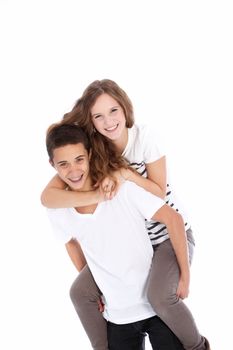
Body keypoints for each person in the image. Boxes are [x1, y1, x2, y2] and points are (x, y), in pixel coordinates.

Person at [41, 80, 210, 350]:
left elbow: (159, 195)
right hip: (138, 241)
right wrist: (95, 196)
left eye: (114, 111)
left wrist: (125, 174)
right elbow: (48, 197)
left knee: (160, 297)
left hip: (166, 236)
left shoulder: (144, 138)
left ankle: (197, 346)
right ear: (90, 121)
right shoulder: (93, 150)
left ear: (125, 108)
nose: (108, 122)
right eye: (98, 116)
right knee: (80, 292)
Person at [45, 122, 186, 349]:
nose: (73, 170)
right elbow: (70, 242)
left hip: (156, 308)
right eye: (63, 164)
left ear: (89, 154)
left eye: (79, 159)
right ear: (52, 165)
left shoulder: (121, 188)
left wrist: (183, 277)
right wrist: (96, 283)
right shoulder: (58, 209)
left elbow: (173, 218)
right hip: (118, 317)